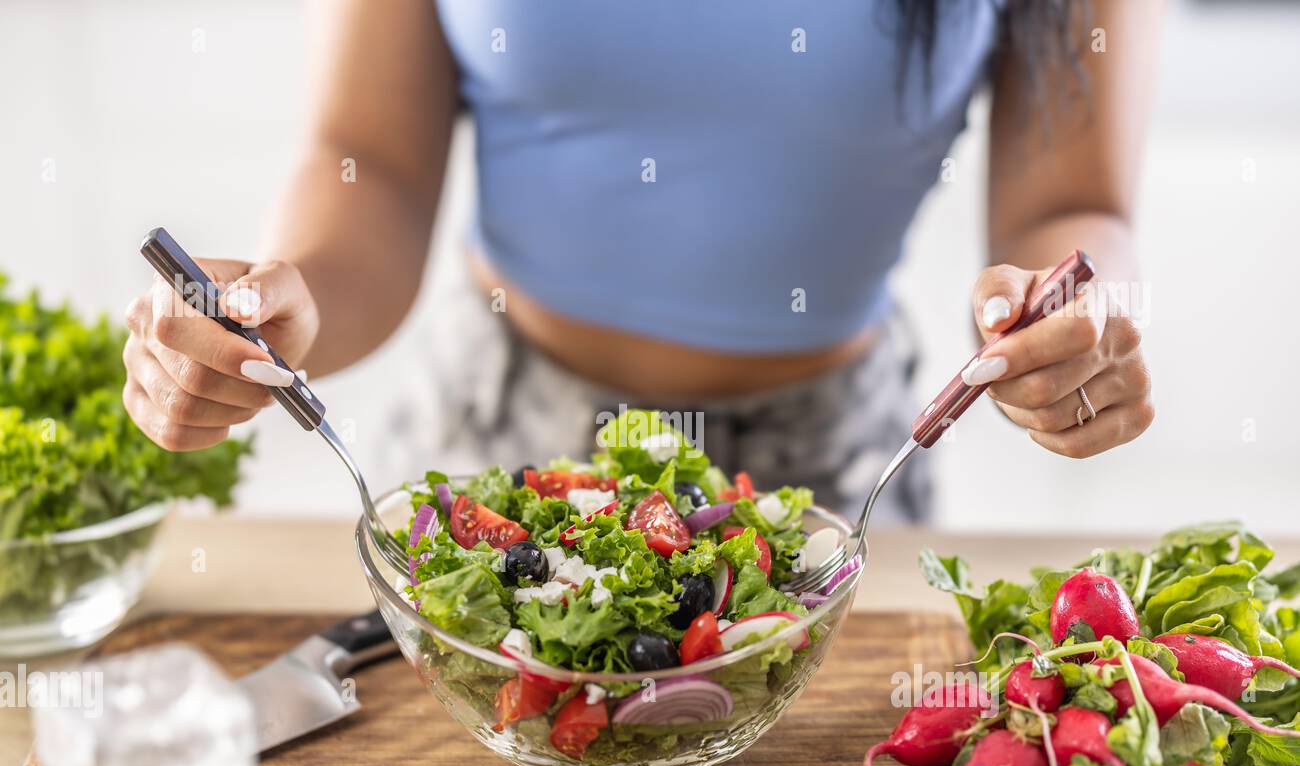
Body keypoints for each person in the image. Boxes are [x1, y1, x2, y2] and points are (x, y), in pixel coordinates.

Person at [122, 0, 1158, 519]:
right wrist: (289, 298)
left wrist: (1068, 325)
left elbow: (1071, 207)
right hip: (494, 435)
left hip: (830, 479)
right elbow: (372, 165)